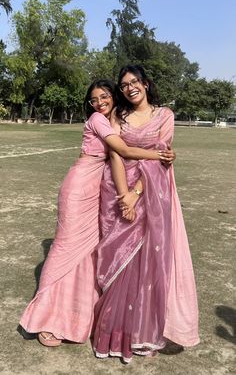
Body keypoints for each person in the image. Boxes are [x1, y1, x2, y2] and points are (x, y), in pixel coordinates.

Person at [19, 79, 175, 347]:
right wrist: (159, 156)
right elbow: (123, 150)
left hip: (99, 189)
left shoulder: (116, 119)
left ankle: (77, 316)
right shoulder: (97, 119)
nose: (100, 103)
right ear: (89, 105)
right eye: (94, 99)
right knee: (64, 248)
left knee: (89, 253)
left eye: (104, 97)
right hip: (80, 185)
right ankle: (46, 317)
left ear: (113, 97)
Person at [93, 65, 199, 363]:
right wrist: (123, 194)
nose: (129, 88)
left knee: (148, 263)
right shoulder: (119, 116)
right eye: (124, 84)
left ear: (146, 84)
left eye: (134, 82)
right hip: (115, 188)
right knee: (119, 259)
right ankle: (112, 332)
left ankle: (140, 332)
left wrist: (135, 193)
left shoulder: (165, 116)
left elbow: (163, 159)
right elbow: (115, 153)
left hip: (151, 193)